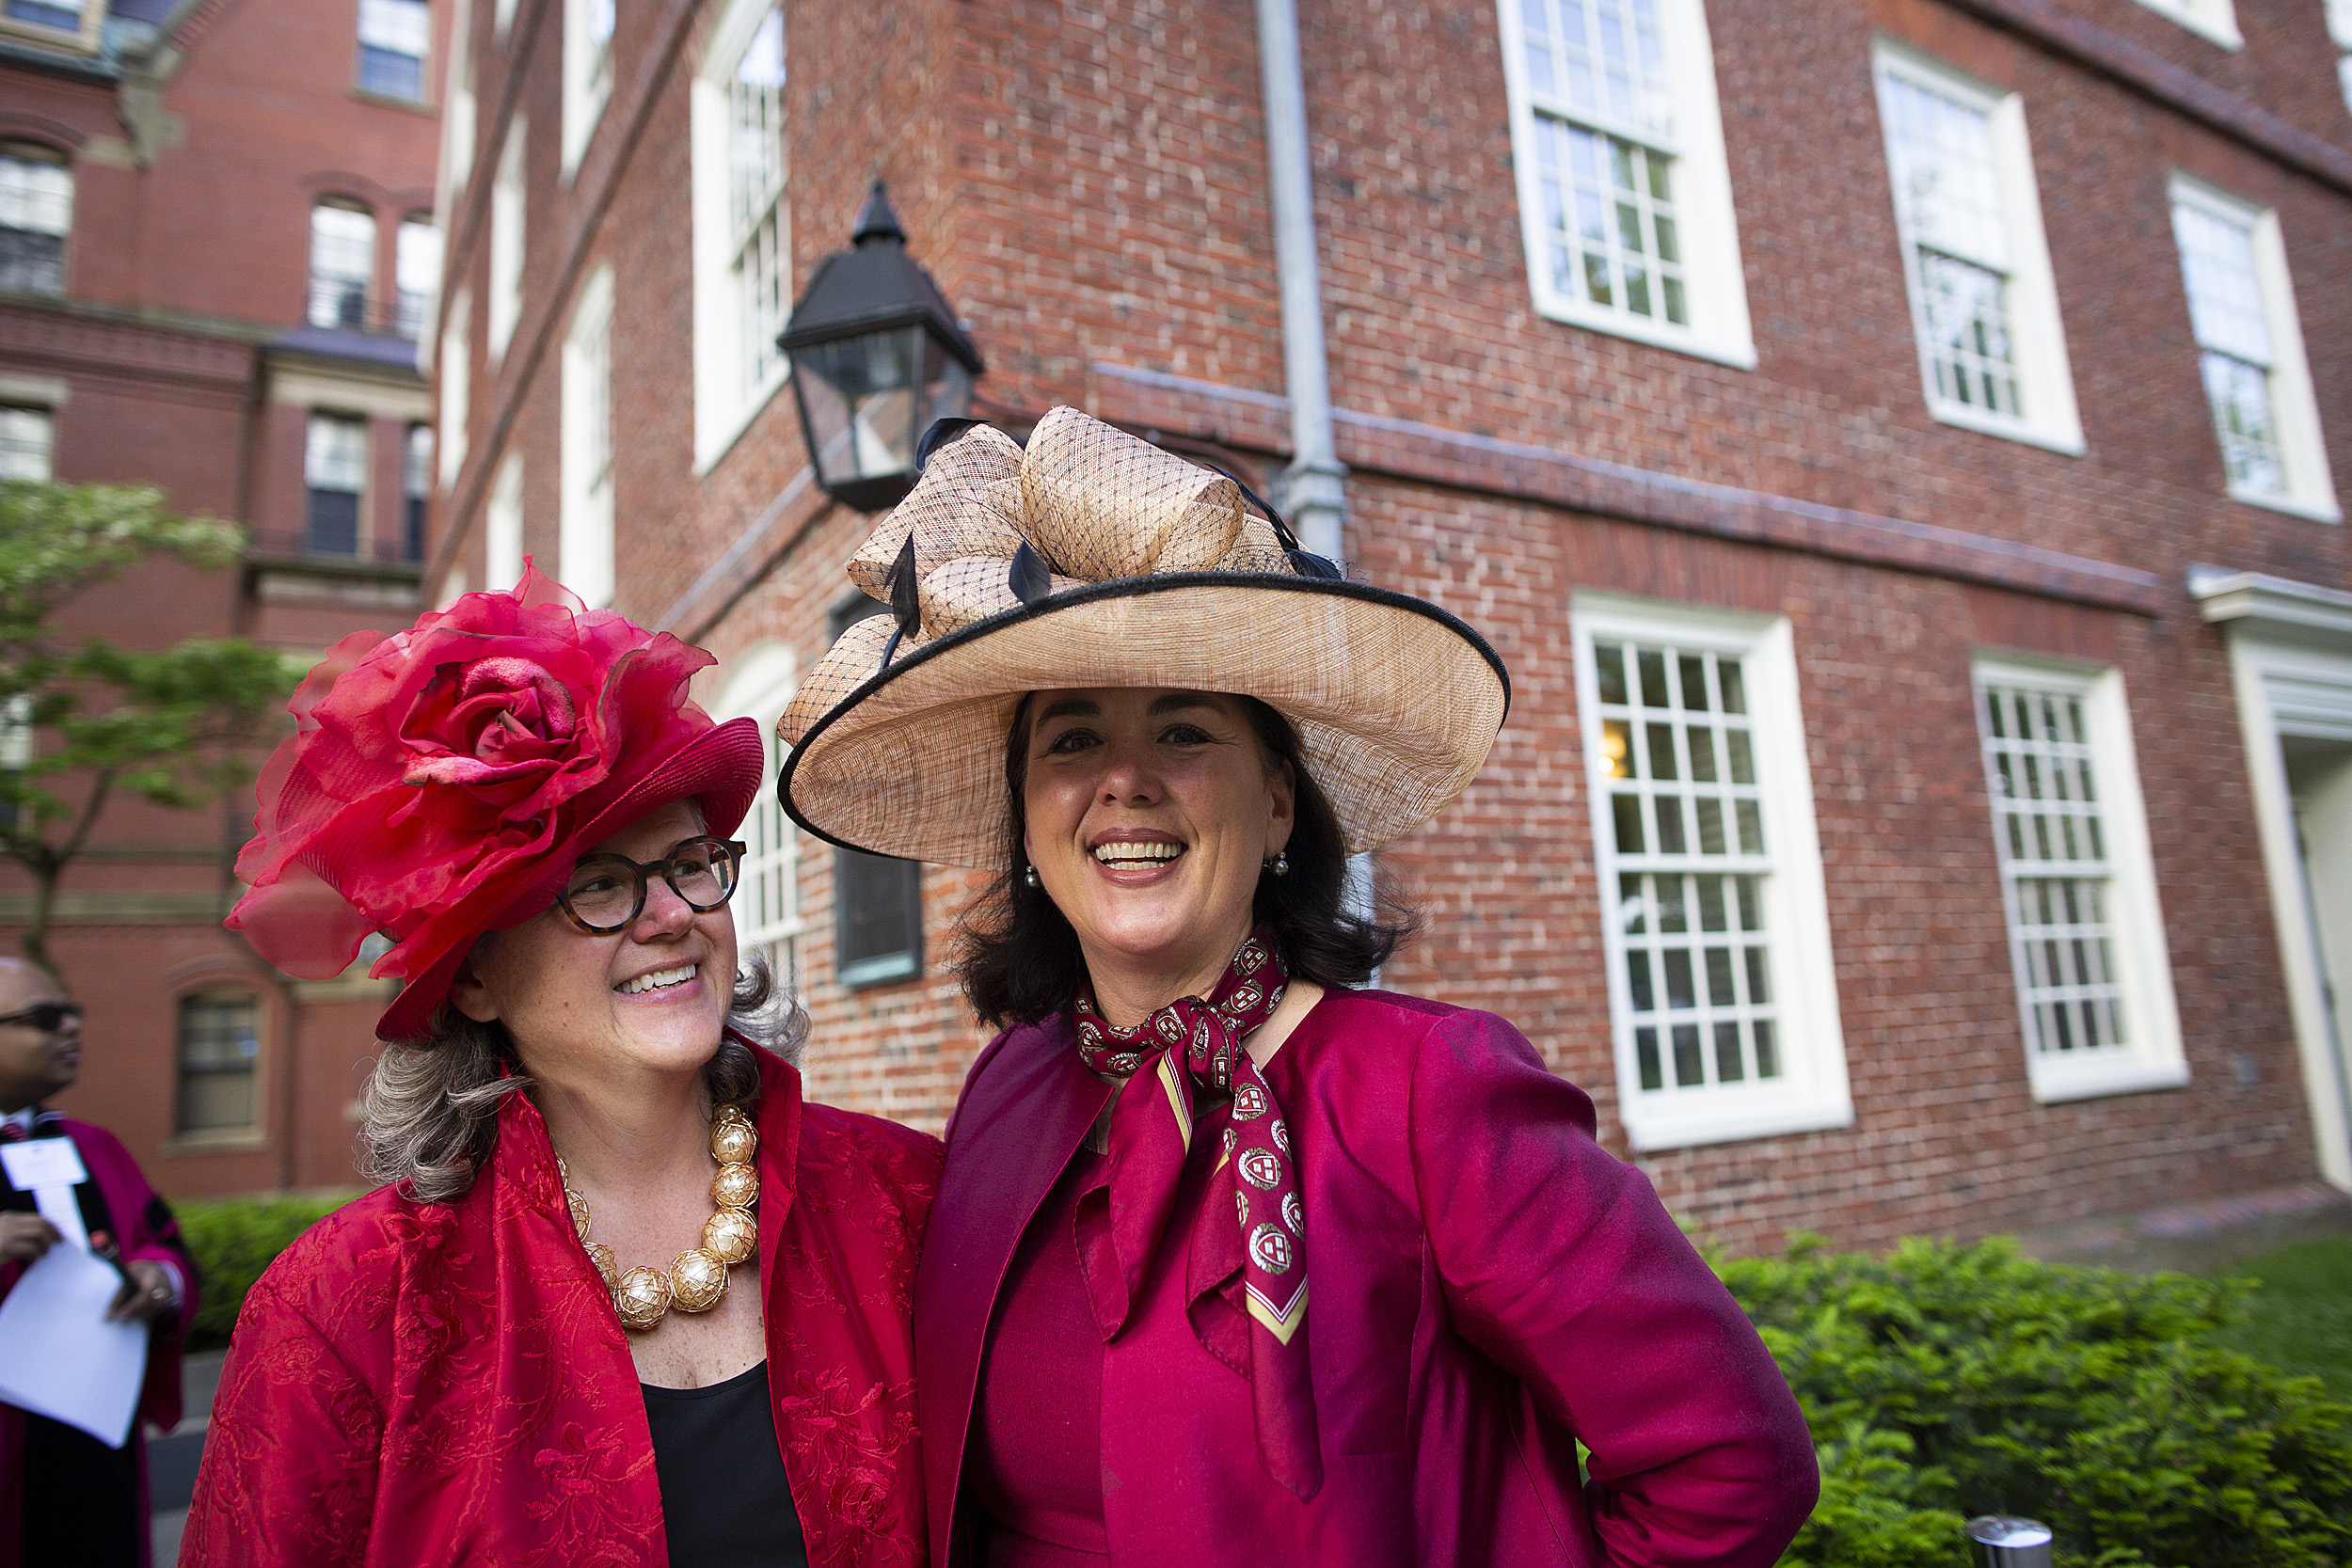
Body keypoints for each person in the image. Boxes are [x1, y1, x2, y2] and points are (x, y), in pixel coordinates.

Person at [777, 408, 1820, 1567]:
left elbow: (1728, 1462)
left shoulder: (1431, 1094)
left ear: (1277, 802)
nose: (1124, 782)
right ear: (1026, 820)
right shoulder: (1007, 1088)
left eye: (1182, 730)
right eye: (1070, 741)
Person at [182, 563, 940, 1567]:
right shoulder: (347, 1309)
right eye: (594, 886)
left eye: (687, 866)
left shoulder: (903, 1201)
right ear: (476, 980)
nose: (671, 915)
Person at [0, 956, 198, 1568]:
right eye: (44, 1017)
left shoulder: (95, 1147)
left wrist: (158, 1280)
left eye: (71, 1013)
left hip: (95, 1442)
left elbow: (167, 1246)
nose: (70, 1029)